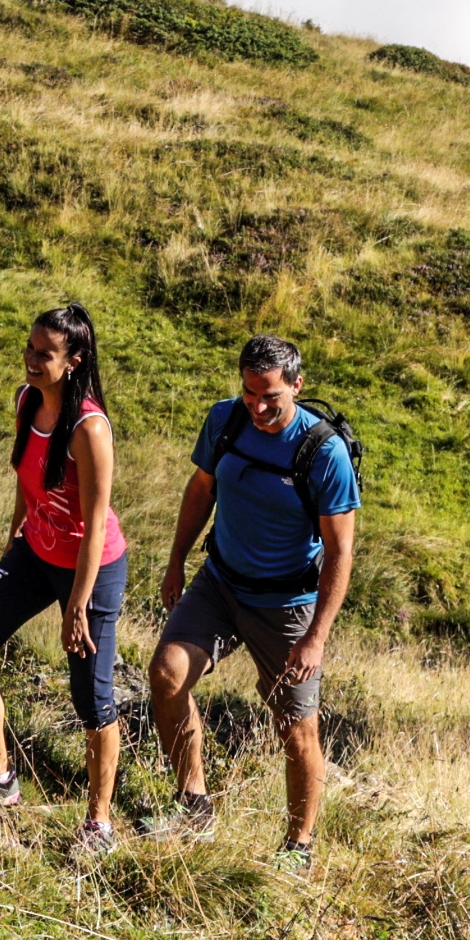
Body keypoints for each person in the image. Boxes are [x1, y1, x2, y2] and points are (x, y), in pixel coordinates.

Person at [146, 334, 358, 871]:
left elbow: (339, 552)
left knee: (295, 726)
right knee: (166, 675)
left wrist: (316, 637)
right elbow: (201, 490)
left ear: (297, 386)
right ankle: (193, 804)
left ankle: (299, 847)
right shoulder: (226, 421)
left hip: (288, 603)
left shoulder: (324, 452)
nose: (259, 408)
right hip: (220, 582)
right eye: (249, 394)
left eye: (271, 398)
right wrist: (177, 560)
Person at [0, 304, 128, 856]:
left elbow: (96, 522)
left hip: (90, 569)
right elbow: (27, 483)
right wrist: (13, 539)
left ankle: (99, 824)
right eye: (29, 347)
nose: (30, 360)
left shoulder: (89, 428)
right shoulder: (27, 401)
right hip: (36, 549)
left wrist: (76, 605)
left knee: (91, 699)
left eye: (44, 354)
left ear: (73, 362)